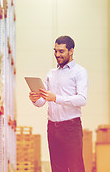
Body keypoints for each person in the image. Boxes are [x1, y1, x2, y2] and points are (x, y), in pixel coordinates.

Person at [29, 35, 88, 172]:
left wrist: (55, 98)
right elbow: (42, 101)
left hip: (71, 127)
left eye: (61, 51)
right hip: (53, 127)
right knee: (57, 168)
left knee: (75, 168)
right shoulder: (51, 73)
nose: (57, 55)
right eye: (55, 51)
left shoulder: (79, 72)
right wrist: (34, 99)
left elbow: (82, 99)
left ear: (71, 51)